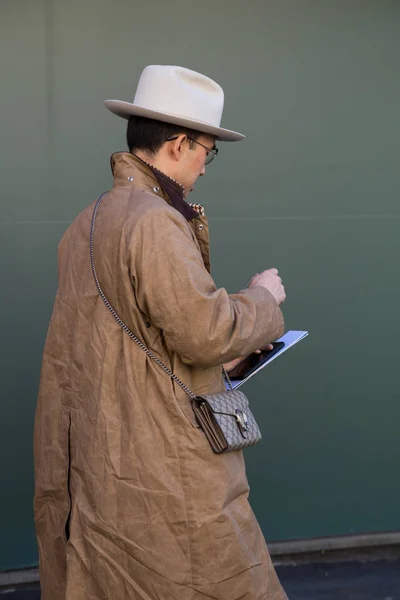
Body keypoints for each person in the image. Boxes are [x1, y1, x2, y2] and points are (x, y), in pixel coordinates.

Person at [34, 65, 288, 600]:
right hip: (164, 466)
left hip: (106, 461)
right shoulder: (152, 221)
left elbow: (128, 347)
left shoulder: (88, 220)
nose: (205, 163)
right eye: (206, 150)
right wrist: (264, 299)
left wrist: (224, 369)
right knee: (209, 577)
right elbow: (205, 333)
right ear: (177, 144)